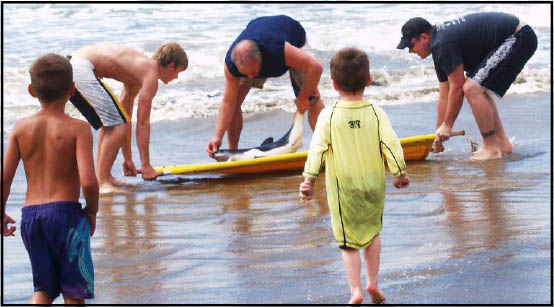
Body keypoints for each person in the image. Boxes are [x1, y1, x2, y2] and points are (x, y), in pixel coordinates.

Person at [299, 48, 410, 304]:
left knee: (348, 242)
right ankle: (373, 283)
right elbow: (391, 144)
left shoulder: (328, 115)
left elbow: (317, 149)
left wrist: (308, 179)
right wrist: (399, 172)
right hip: (373, 185)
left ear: (334, 84)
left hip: (343, 189)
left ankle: (356, 291)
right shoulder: (376, 112)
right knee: (372, 234)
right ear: (369, 81)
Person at [2, 54, 99, 305]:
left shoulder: (20, 128)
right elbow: (88, 181)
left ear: (31, 91)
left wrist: (1, 212)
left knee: (42, 288)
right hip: (66, 216)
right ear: (72, 89)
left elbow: (4, 178)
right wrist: (91, 211)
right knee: (73, 292)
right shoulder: (78, 128)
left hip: (32, 217)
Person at [397, 12, 537, 160]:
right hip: (512, 37)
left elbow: (457, 89)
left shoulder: (443, 44)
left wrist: (448, 125)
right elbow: (445, 93)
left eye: (411, 45)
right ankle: (502, 144)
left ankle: (491, 149)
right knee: (476, 88)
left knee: (472, 88)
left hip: (519, 36)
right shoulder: (439, 46)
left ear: (424, 37)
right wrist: (439, 132)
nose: (411, 51)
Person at [69, 42, 188, 193]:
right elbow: (143, 124)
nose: (176, 77)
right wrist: (146, 165)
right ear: (171, 66)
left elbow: (125, 117)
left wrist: (128, 158)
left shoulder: (138, 72)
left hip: (76, 65)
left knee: (113, 124)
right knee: (117, 125)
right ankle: (102, 182)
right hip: (81, 68)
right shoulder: (150, 75)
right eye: (178, 72)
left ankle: (104, 176)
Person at [206, 15, 325, 158]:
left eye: (253, 73)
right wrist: (217, 136)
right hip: (257, 35)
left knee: (312, 99)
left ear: (261, 57)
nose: (251, 77)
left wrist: (303, 97)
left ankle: (327, 147)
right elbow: (228, 103)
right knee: (235, 101)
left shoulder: (279, 50)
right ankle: (234, 153)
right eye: (246, 74)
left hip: (292, 36)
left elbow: (316, 69)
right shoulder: (232, 65)